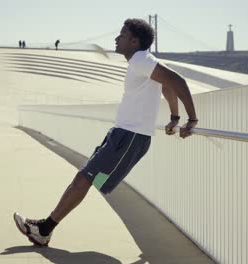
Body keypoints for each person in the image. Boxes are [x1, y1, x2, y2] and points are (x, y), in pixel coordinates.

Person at [14, 18, 198, 246]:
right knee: (86, 178)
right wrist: (174, 117)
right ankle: (44, 229)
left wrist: (191, 118)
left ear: (134, 41)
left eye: (122, 35)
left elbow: (175, 80)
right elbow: (167, 85)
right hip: (123, 136)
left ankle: (43, 229)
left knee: (84, 177)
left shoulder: (141, 59)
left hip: (128, 138)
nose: (116, 38)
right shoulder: (142, 62)